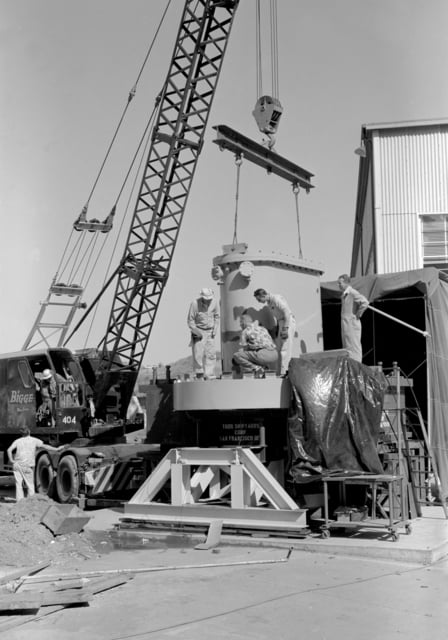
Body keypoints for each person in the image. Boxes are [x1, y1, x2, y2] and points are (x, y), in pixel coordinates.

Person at [7, 427, 63, 501]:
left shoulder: (17, 441)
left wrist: (11, 460)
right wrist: (57, 449)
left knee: (18, 484)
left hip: (17, 465)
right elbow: (45, 446)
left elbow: (9, 450)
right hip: (27, 466)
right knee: (30, 485)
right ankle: (31, 501)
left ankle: (19, 501)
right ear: (29, 432)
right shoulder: (34, 440)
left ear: (21, 434)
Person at [253, 288, 296, 375]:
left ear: (263, 295)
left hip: (287, 322)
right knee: (279, 348)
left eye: (259, 299)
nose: (259, 301)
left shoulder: (276, 299)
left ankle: (286, 372)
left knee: (285, 348)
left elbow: (286, 312)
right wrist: (277, 327)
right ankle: (280, 372)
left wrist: (285, 328)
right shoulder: (269, 303)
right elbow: (277, 316)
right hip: (281, 322)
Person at [232, 310, 278, 376]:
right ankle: (265, 368)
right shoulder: (263, 328)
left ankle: (257, 368)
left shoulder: (245, 331)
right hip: (274, 354)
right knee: (255, 354)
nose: (240, 325)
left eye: (240, 322)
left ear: (243, 323)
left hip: (262, 355)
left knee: (237, 355)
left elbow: (244, 349)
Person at [187, 287, 220, 379]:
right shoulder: (194, 304)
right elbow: (190, 320)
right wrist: (195, 330)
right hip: (199, 330)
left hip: (210, 331)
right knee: (198, 353)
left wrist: (215, 329)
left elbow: (217, 316)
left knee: (211, 353)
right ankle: (199, 373)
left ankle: (209, 374)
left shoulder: (215, 302)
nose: (208, 301)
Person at [337, 274, 369, 362]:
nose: (338, 285)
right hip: (346, 325)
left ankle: (357, 366)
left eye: (340, 283)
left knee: (354, 346)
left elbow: (365, 302)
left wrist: (358, 314)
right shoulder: (344, 295)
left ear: (346, 283)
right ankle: (350, 366)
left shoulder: (352, 292)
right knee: (347, 347)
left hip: (352, 324)